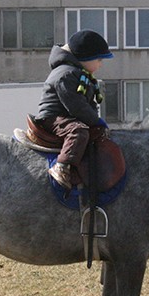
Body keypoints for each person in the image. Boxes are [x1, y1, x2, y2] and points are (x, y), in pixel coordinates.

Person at [36, 29, 114, 189]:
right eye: (99, 59)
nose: (100, 64)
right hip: (53, 118)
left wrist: (97, 122)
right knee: (78, 131)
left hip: (67, 116)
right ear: (85, 57)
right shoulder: (65, 75)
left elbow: (89, 103)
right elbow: (76, 106)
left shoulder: (81, 75)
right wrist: (96, 121)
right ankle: (62, 166)